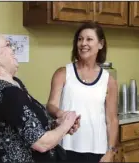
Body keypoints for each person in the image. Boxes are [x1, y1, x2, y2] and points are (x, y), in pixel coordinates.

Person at [0, 27, 80, 162]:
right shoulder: (7, 93)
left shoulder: (11, 85)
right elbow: (42, 143)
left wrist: (58, 126)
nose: (13, 49)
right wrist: (67, 123)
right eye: (7, 45)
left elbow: (25, 128)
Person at [46, 22, 119, 162]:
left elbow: (112, 120)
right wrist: (61, 113)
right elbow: (51, 105)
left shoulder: (108, 80)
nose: (83, 43)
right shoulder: (63, 73)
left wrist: (110, 151)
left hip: (98, 150)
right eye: (80, 39)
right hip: (66, 147)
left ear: (100, 44)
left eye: (89, 39)